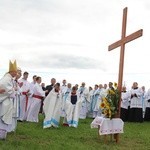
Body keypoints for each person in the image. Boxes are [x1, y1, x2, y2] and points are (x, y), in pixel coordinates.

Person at [0, 60, 18, 139]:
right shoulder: (6, 78)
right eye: (15, 72)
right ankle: (1, 135)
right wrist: (13, 89)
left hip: (8, 100)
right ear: (12, 72)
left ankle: (3, 135)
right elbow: (4, 87)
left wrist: (12, 90)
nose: (16, 74)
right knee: (3, 117)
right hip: (5, 101)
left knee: (5, 118)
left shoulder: (9, 78)